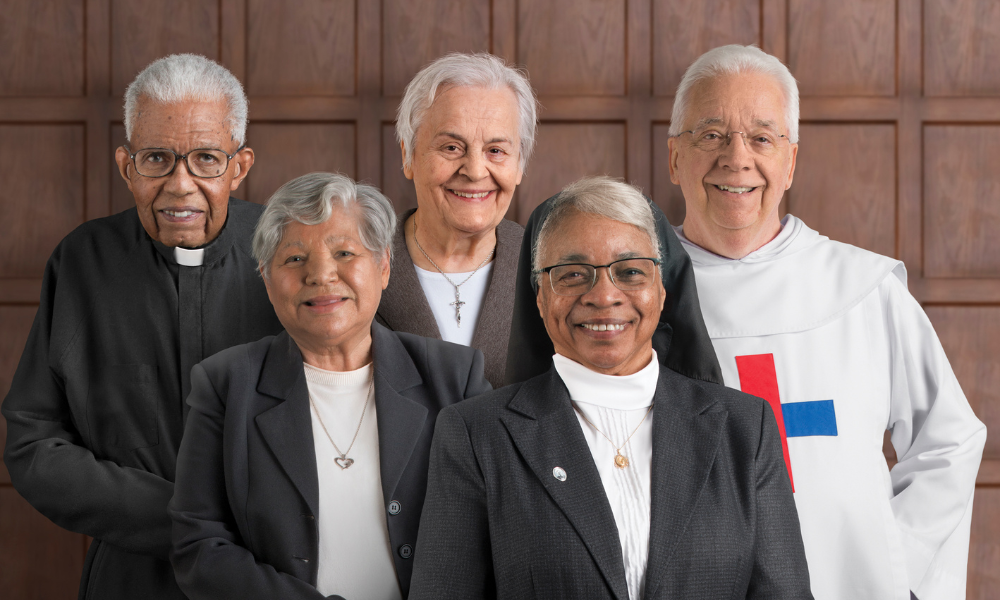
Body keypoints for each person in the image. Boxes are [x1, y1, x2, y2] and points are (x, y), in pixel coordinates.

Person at [666, 44, 986, 600]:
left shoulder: (862, 289)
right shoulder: (631, 298)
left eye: (762, 138)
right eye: (711, 135)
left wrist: (892, 563)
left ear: (790, 162)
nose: (735, 158)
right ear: (674, 157)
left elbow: (949, 439)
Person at [410, 177, 812, 600]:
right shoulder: (475, 436)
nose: (604, 295)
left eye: (630, 271)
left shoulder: (746, 429)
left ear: (661, 290)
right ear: (540, 297)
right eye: (572, 274)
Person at [1, 54, 282, 599]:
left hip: (269, 572)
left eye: (206, 159)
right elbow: (32, 440)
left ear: (239, 166)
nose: (180, 185)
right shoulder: (83, 262)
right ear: (127, 166)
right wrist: (183, 518)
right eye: (157, 158)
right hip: (132, 576)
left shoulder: (291, 254)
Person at [169, 172, 491, 600]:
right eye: (295, 259)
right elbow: (199, 547)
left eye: (344, 252)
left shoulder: (455, 377)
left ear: (382, 267)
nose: (321, 275)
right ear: (266, 279)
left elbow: (500, 526)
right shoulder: (225, 385)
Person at [377, 52, 539, 388]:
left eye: (496, 151)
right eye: (452, 147)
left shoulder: (549, 268)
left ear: (519, 164)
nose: (476, 171)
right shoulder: (358, 265)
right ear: (408, 155)